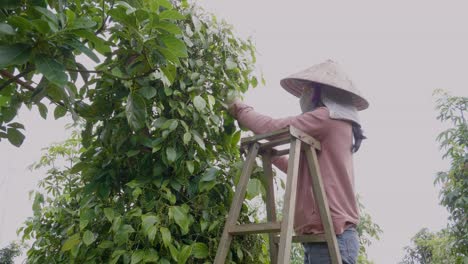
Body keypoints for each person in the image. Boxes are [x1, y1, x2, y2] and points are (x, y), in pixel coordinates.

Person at [226, 59, 369, 264]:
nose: (302, 96)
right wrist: (270, 154)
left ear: (318, 92)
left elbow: (273, 127)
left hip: (332, 236)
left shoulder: (326, 118)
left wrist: (241, 110)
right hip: (321, 236)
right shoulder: (334, 124)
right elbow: (300, 169)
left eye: (306, 90)